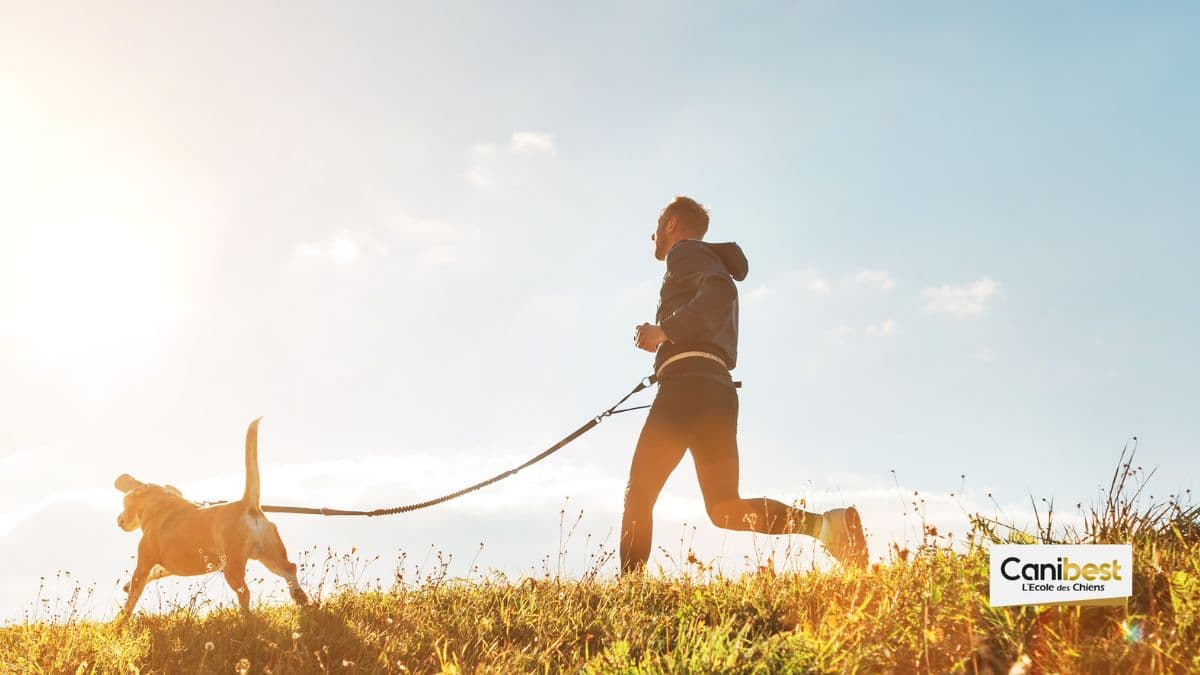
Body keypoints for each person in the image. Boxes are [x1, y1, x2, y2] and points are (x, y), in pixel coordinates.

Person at [622, 195, 868, 574]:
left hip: (686, 389)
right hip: (716, 389)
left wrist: (664, 330)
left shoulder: (684, 253)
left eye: (658, 224)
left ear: (671, 224)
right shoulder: (704, 259)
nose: (652, 234)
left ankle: (629, 595)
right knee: (723, 508)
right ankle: (827, 526)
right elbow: (716, 295)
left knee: (639, 495)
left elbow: (720, 292)